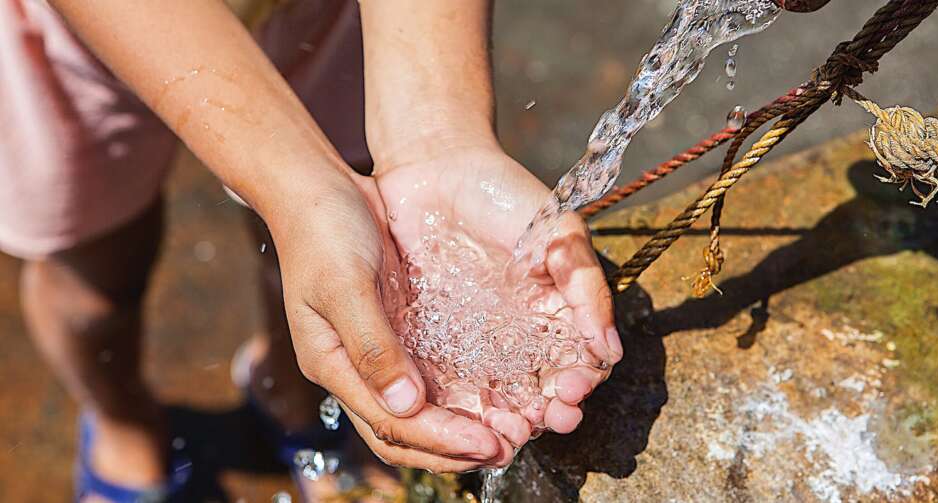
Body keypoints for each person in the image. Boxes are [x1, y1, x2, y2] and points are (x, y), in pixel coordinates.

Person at [0, 0, 622, 500]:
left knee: (337, 239)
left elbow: (329, 208)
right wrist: (296, 188)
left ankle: (287, 392)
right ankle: (124, 426)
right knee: (97, 275)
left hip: (324, 14)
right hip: (92, 27)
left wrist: (435, 133)